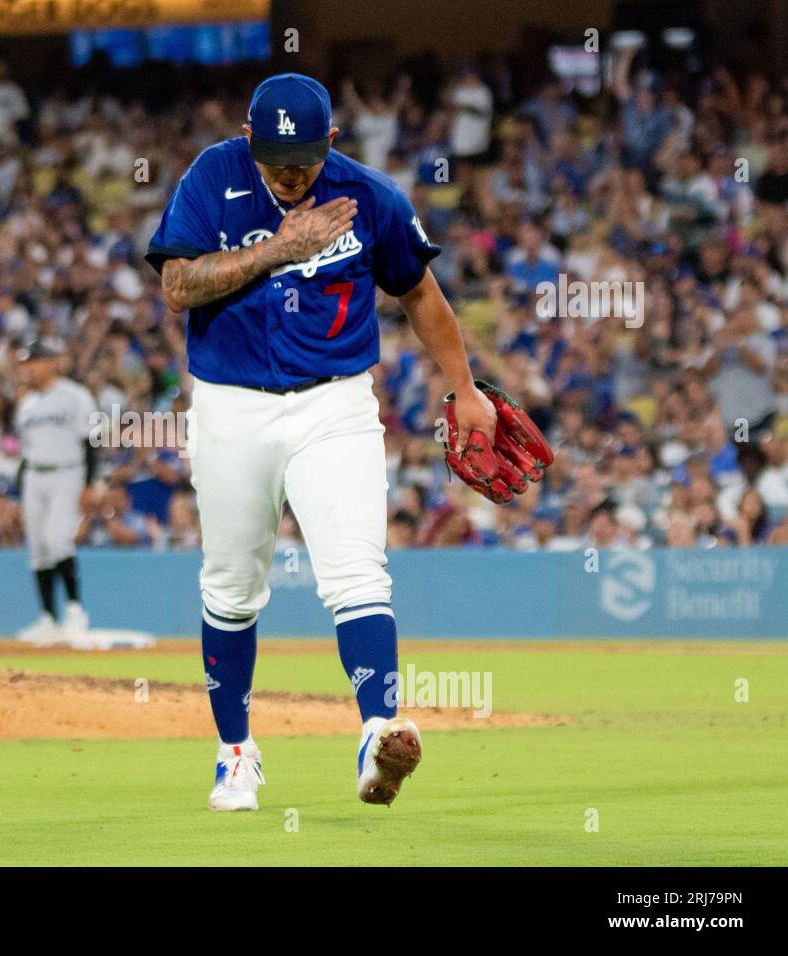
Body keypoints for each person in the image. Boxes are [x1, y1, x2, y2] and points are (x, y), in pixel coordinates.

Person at [146, 73, 496, 811]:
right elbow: (177, 285)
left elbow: (420, 294)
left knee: (358, 575)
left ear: (331, 141)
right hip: (231, 405)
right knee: (232, 588)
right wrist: (280, 248)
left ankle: (377, 734)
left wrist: (465, 389)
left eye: (303, 158)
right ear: (249, 139)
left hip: (334, 403)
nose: (290, 172)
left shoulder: (369, 196)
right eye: (275, 158)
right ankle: (236, 754)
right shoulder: (214, 176)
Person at [13, 338, 97, 643]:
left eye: (34, 361)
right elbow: (26, 452)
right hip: (35, 476)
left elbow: (90, 441)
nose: (29, 369)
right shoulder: (26, 404)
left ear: (51, 362)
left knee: (58, 540)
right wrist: (16, 494)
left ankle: (75, 612)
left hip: (67, 473)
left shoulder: (74, 396)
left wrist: (90, 484)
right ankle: (48, 618)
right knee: (38, 549)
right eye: (26, 363)